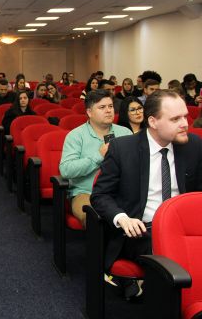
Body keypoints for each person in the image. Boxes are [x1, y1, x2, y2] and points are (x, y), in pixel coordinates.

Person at [91, 90, 202, 298]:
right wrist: (122, 218)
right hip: (141, 229)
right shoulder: (123, 149)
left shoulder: (194, 146)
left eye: (185, 116)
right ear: (153, 121)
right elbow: (100, 195)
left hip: (186, 229)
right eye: (175, 119)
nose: (185, 124)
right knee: (172, 257)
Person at [59, 89, 132, 228]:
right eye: (102, 107)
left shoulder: (125, 133)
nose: (108, 111)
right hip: (86, 193)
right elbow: (66, 170)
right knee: (95, 217)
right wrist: (98, 156)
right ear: (89, 112)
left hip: (119, 192)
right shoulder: (76, 136)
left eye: (110, 106)